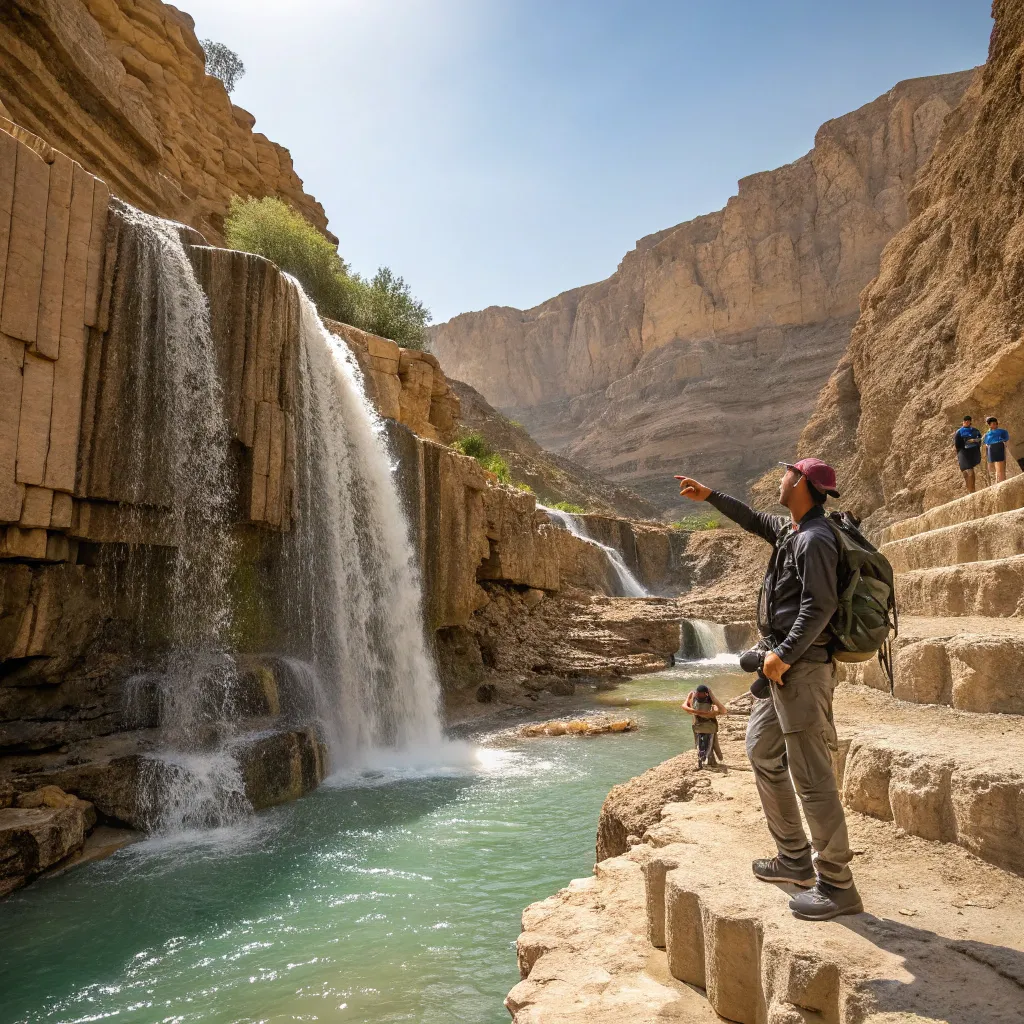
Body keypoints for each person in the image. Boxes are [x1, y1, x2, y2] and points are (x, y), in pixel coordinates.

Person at [674, 459, 862, 921]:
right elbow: (754, 519)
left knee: (812, 777)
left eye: (785, 474)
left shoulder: (816, 539)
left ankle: (838, 884)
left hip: (800, 671)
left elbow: (820, 606)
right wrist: (710, 495)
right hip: (780, 672)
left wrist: (783, 655)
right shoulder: (791, 531)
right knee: (760, 749)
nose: (778, 479)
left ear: (800, 483)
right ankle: (794, 859)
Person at [681, 683, 725, 767]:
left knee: (712, 744)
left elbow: (723, 710)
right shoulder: (693, 696)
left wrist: (713, 697)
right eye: (697, 693)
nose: (697, 695)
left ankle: (711, 760)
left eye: (699, 694)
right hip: (697, 726)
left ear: (706, 694)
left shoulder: (710, 700)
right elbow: (684, 706)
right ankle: (704, 760)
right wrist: (698, 712)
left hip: (709, 726)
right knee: (699, 744)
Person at [954, 415, 983, 493]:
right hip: (962, 452)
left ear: (970, 422)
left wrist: (974, 440)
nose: (966, 422)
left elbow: (980, 439)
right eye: (965, 421)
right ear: (963, 422)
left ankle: (972, 490)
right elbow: (957, 444)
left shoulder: (975, 430)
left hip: (972, 451)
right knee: (965, 472)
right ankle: (970, 489)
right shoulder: (959, 431)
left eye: (968, 421)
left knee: (970, 471)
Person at [983, 417, 1010, 484]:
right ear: (989, 425)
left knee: (1000, 466)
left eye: (995, 423)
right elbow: (986, 442)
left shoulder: (1001, 431)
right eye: (993, 424)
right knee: (995, 467)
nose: (994, 425)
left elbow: (1006, 437)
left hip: (998, 447)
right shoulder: (987, 434)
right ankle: (998, 481)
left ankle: (1001, 481)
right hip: (992, 449)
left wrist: (1002, 442)